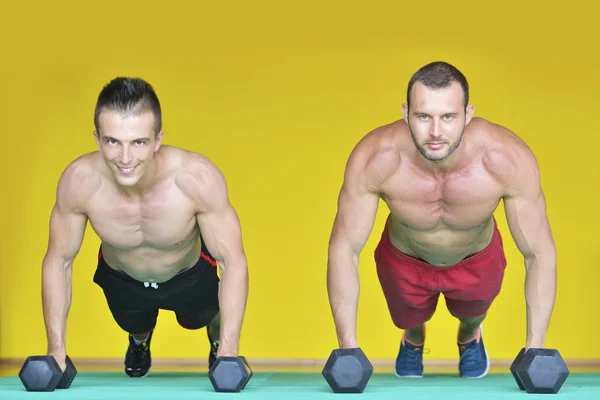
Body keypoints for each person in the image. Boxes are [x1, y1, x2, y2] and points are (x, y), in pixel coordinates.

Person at [326, 61, 556, 379]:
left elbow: (539, 251)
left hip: (476, 258)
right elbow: (344, 249)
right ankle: (413, 337)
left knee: (472, 314)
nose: (435, 132)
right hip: (405, 258)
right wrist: (347, 349)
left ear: (468, 114)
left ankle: (470, 335)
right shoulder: (377, 158)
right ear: (406, 113)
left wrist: (535, 349)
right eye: (424, 116)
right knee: (409, 318)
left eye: (448, 116)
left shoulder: (505, 159)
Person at [41, 77, 249, 378]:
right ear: (98, 138)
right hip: (123, 278)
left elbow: (233, 262)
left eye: (138, 142)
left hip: (187, 275)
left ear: (158, 139)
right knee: (135, 325)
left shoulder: (196, 178)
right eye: (113, 142)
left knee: (206, 315)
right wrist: (55, 352)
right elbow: (58, 262)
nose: (125, 159)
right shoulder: (79, 181)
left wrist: (230, 354)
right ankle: (140, 341)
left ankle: (218, 344)